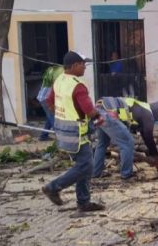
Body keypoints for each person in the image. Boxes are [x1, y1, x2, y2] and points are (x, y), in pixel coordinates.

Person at [42, 51, 105, 212]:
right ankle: (54, 187)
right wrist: (98, 117)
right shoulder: (78, 86)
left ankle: (83, 202)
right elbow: (89, 110)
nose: (85, 67)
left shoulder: (59, 81)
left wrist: (62, 116)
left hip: (63, 132)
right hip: (77, 134)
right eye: (83, 64)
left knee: (85, 166)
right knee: (85, 165)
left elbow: (49, 102)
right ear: (75, 65)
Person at [92, 97, 158, 178]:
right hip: (108, 113)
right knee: (128, 143)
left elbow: (143, 133)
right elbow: (148, 137)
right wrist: (155, 154)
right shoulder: (148, 115)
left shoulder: (142, 106)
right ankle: (126, 174)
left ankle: (96, 172)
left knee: (102, 143)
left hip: (98, 110)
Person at [37, 64, 63, 141]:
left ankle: (43, 136)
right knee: (53, 117)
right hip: (46, 99)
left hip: (42, 98)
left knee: (50, 117)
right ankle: (60, 138)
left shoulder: (50, 76)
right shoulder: (56, 78)